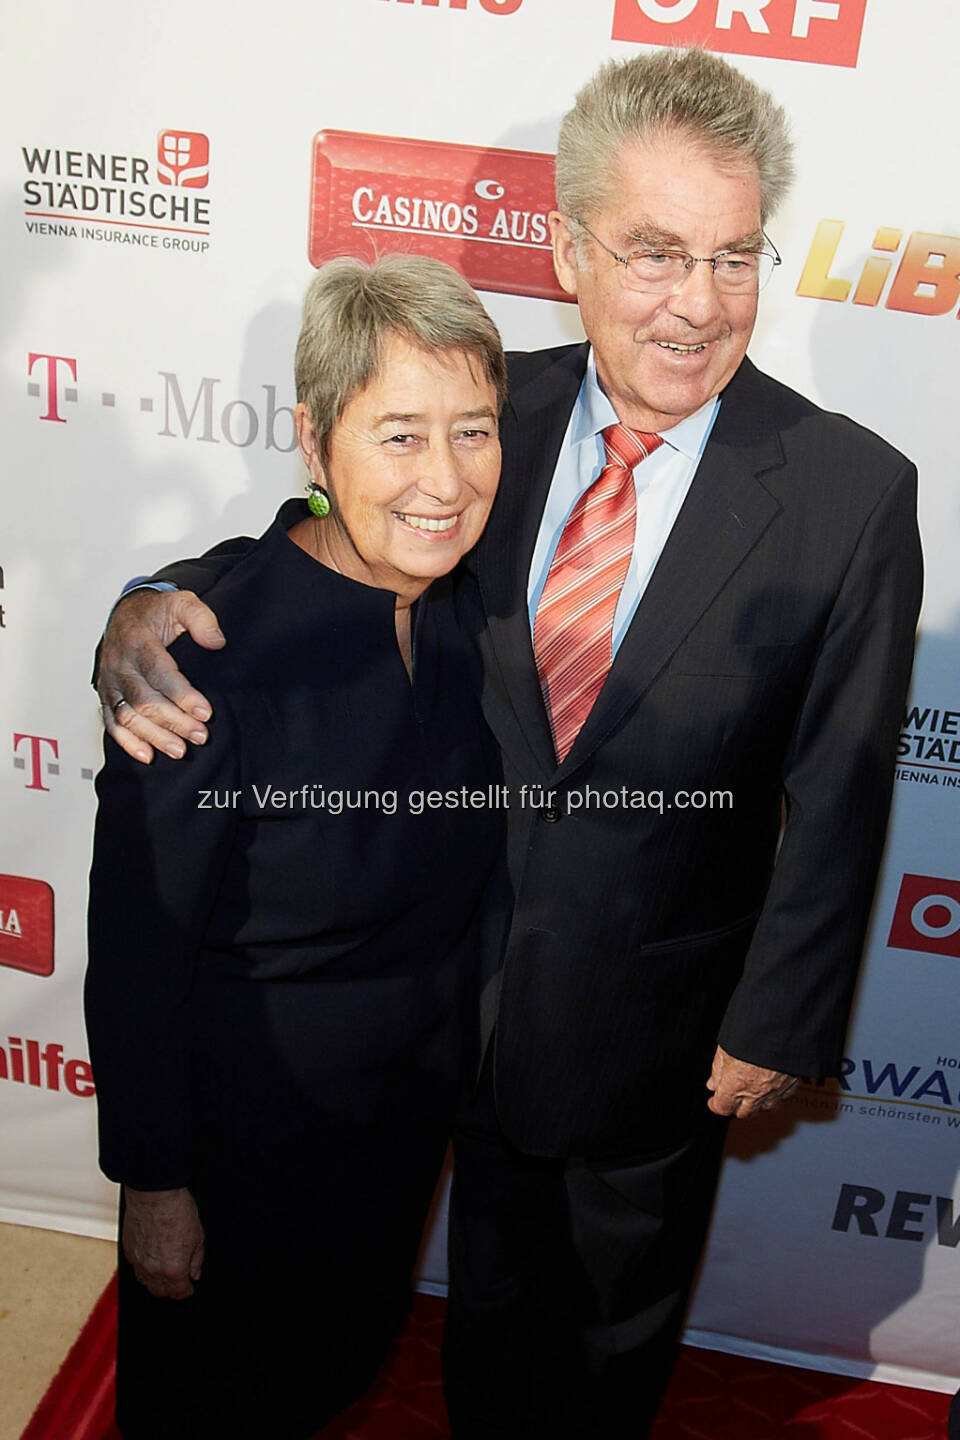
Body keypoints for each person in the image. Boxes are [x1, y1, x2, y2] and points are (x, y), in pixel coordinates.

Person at [95, 49, 922, 1439]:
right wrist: (140, 603)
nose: (696, 302)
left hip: (648, 1028)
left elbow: (842, 784)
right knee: (413, 1327)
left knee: (593, 1352)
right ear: (567, 251)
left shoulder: (848, 492)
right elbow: (325, 540)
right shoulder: (490, 418)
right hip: (423, 1003)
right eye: (654, 252)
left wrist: (777, 1016)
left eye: (732, 256)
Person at [85, 253, 507, 1440]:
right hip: (241, 1154)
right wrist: (155, 1184)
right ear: (316, 443)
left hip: (394, 1137)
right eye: (400, 436)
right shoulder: (200, 665)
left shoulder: (471, 605)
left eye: (473, 432)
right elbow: (136, 956)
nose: (445, 478)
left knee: (334, 1378)